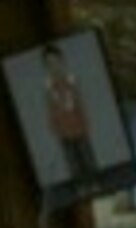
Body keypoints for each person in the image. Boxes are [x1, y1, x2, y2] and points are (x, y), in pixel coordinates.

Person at [39, 43, 97, 181]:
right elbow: (50, 109)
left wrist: (86, 121)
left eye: (56, 62)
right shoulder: (48, 87)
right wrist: (53, 126)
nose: (54, 66)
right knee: (72, 162)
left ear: (62, 61)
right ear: (46, 66)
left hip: (79, 127)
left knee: (87, 157)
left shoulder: (71, 81)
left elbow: (80, 103)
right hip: (63, 131)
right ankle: (80, 186)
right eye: (49, 63)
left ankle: (94, 182)